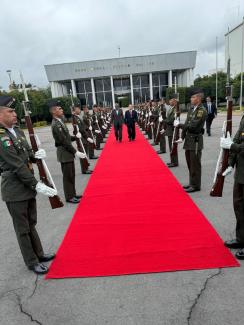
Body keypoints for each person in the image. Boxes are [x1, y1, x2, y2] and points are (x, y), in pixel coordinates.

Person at [0, 95, 56, 274]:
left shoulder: (18, 131)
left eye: (14, 110)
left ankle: (39, 254)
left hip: (26, 186)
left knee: (31, 222)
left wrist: (34, 155)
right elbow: (16, 164)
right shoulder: (2, 137)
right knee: (22, 229)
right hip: (15, 189)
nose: (15, 114)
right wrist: (36, 184)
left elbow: (25, 154)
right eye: (10, 111)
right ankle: (31, 261)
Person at [49, 99, 85, 204]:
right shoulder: (56, 124)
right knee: (67, 176)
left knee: (71, 174)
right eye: (59, 109)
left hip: (67, 152)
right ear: (54, 111)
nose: (62, 110)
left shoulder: (60, 121)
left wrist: (75, 137)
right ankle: (69, 197)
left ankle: (73, 194)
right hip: (64, 153)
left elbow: (67, 137)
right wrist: (75, 152)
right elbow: (64, 141)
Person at [220, 115, 244, 260]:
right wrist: (230, 163)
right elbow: (236, 139)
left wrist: (232, 146)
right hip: (241, 171)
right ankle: (241, 238)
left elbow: (234, 145)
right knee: (239, 206)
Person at [175, 89, 207, 192]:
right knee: (190, 163)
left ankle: (196, 185)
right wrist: (182, 137)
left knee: (195, 164)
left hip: (195, 141)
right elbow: (187, 123)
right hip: (189, 140)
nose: (191, 99)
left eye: (193, 97)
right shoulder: (192, 109)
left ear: (198, 98)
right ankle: (192, 182)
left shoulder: (201, 110)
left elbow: (193, 126)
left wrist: (179, 125)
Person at [72, 104, 93, 174]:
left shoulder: (77, 117)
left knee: (85, 153)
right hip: (81, 138)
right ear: (75, 110)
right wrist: (85, 136)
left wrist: (87, 137)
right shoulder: (74, 118)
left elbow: (82, 128)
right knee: (83, 153)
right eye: (78, 109)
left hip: (84, 137)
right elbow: (78, 129)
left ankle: (86, 167)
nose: (79, 110)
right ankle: (84, 169)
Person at [165, 96, 179, 167]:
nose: (170, 102)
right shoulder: (171, 108)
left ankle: (175, 162)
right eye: (169, 100)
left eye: (171, 101)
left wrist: (165, 121)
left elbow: (172, 120)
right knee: (171, 146)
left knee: (173, 146)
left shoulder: (175, 109)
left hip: (173, 130)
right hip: (169, 129)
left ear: (174, 101)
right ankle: (172, 161)